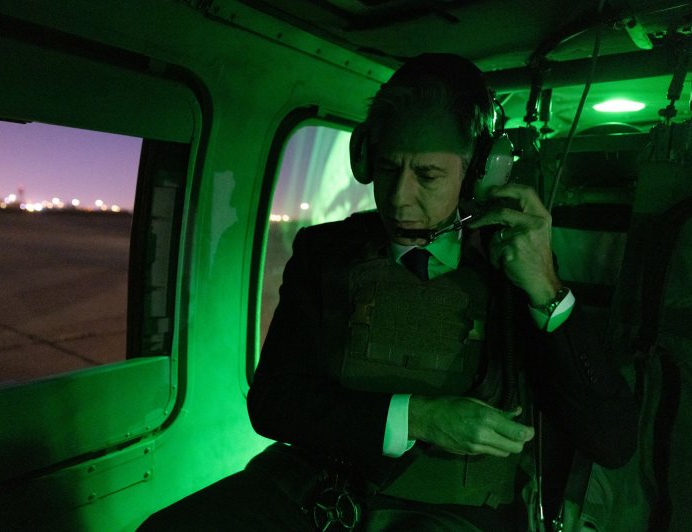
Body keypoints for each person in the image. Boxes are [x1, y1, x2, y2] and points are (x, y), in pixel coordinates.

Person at [140, 53, 638, 532]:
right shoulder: (326, 251)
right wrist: (418, 417)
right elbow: (273, 403)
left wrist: (545, 288)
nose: (399, 198)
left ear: (479, 171)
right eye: (386, 168)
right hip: (311, 492)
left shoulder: (515, 269)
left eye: (427, 175)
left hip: (450, 512)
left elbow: (611, 441)